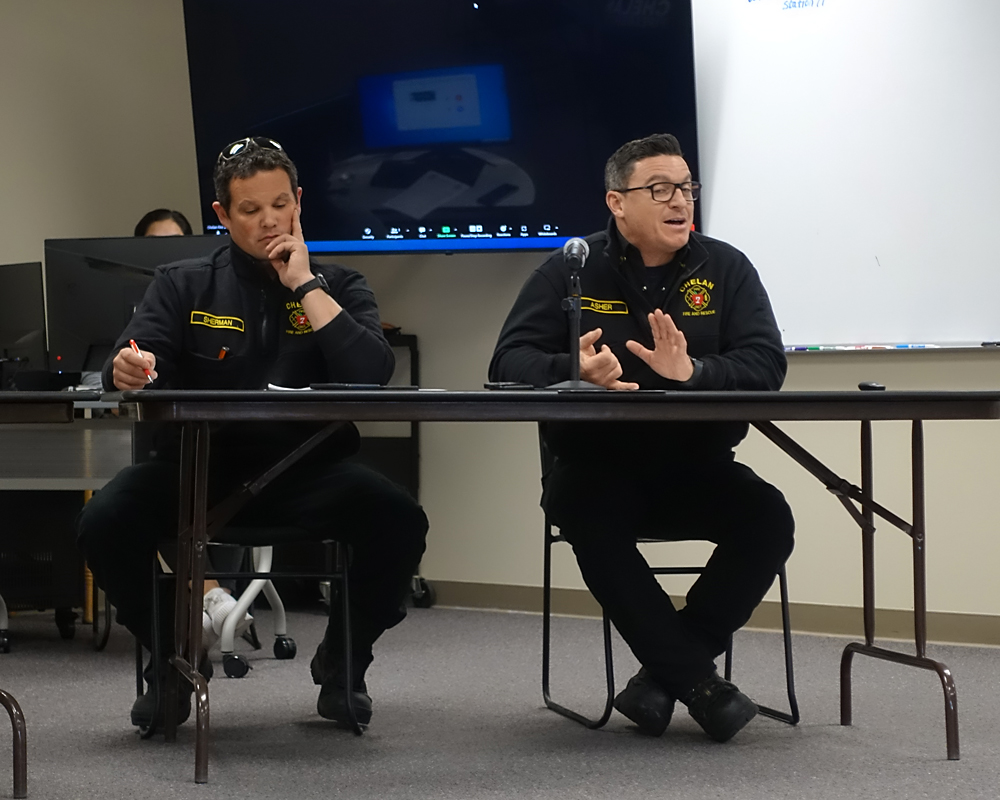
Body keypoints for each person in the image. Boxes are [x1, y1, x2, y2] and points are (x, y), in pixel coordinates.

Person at [78, 136, 428, 730]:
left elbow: (371, 373)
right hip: (196, 470)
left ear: (299, 202)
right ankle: (173, 657)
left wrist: (306, 285)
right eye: (250, 209)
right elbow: (132, 358)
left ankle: (344, 662)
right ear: (223, 214)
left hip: (307, 470)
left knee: (399, 520)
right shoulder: (182, 283)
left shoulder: (341, 284)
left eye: (280, 205)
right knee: (103, 521)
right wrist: (128, 368)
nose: (269, 220)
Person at [489, 133, 794, 743]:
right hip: (596, 467)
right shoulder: (570, 270)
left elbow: (766, 365)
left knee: (768, 517)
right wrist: (572, 371)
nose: (679, 200)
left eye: (686, 188)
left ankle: (664, 678)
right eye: (660, 189)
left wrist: (694, 373)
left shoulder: (726, 268)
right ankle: (700, 685)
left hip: (698, 466)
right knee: (586, 512)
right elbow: (506, 363)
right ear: (617, 202)